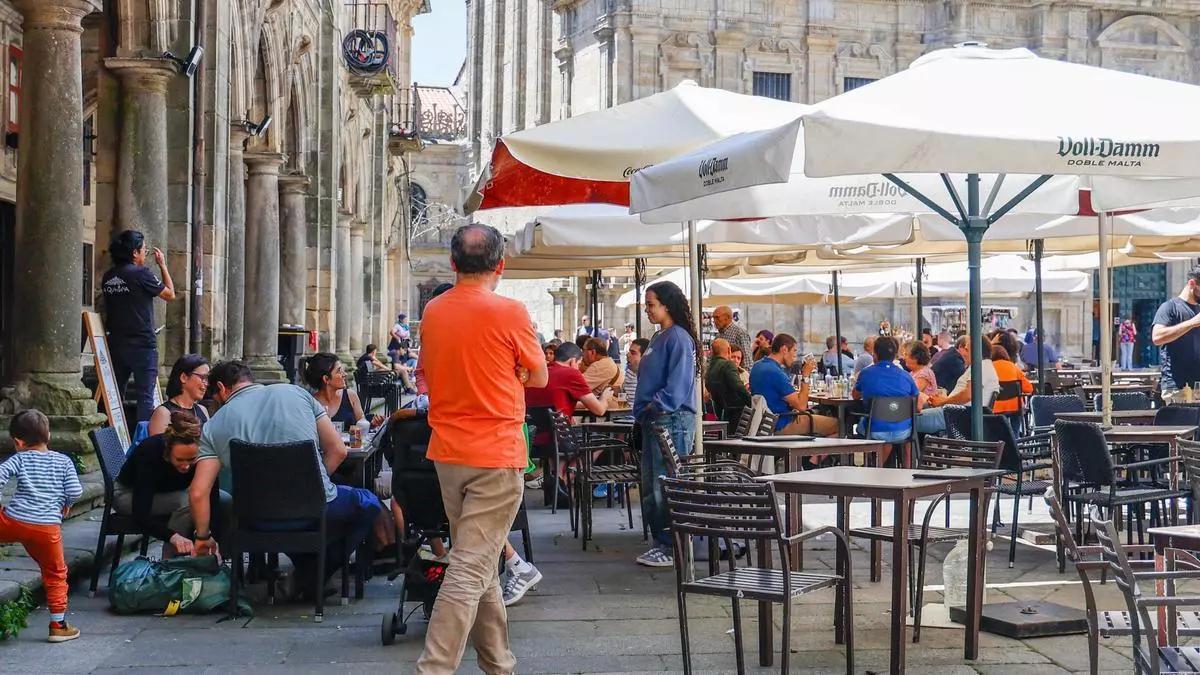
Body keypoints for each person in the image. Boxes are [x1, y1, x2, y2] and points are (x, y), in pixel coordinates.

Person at [414, 223, 548, 674]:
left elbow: (425, 374)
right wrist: (513, 374)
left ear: (453, 263)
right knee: (471, 567)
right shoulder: (509, 311)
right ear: (500, 266)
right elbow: (540, 376)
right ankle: (433, 668)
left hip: (449, 452)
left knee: (481, 560)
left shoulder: (432, 311)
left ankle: (499, 665)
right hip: (495, 451)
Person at [187, 361, 382, 596]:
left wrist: (203, 537)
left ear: (221, 388)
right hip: (314, 508)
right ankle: (313, 574)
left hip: (254, 517)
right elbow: (339, 451)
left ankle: (308, 573)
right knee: (368, 503)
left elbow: (198, 492)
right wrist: (314, 485)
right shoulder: (297, 393)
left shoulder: (213, 425)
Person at [0, 410, 83, 642]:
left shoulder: (19, 458)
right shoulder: (63, 461)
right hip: (47, 528)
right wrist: (65, 503)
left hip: (13, 521)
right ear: (48, 435)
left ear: (18, 442)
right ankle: (58, 625)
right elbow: (76, 491)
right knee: (56, 573)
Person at [632, 280, 698, 568]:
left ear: (666, 305)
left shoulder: (678, 338)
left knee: (665, 482)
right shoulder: (659, 337)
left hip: (670, 418)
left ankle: (671, 545)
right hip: (654, 417)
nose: (647, 310)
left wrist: (655, 405)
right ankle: (661, 541)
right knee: (651, 482)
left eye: (651, 304)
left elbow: (678, 384)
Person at [116, 411, 224, 558]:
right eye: (179, 460)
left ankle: (214, 556)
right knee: (190, 502)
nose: (186, 466)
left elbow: (213, 497)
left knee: (225, 500)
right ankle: (170, 562)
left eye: (191, 460)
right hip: (128, 494)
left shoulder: (206, 454)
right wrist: (172, 537)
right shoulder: (150, 452)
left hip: (167, 491)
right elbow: (140, 514)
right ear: (168, 452)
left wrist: (212, 535)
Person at [100, 229, 176, 422]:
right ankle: (143, 440)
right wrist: (163, 265)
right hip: (142, 344)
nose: (145, 253)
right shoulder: (141, 274)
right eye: (143, 249)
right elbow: (169, 294)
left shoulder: (108, 277)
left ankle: (112, 434)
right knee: (145, 397)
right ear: (134, 252)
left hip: (116, 342)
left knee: (114, 394)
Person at [750, 334, 839, 436]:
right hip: (781, 423)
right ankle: (817, 451)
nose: (795, 356)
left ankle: (814, 450)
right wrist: (805, 376)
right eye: (794, 351)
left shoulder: (757, 366)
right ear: (784, 349)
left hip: (763, 422)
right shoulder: (775, 372)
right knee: (838, 425)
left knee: (817, 415)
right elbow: (801, 406)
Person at [916, 336, 999, 434]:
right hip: (957, 415)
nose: (963, 353)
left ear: (976, 351)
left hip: (955, 417)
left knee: (907, 422)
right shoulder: (984, 366)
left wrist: (943, 401)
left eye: (967, 349)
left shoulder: (980, 367)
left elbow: (968, 394)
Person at [853, 337, 920, 454]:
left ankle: (866, 463)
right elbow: (916, 401)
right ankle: (906, 468)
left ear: (875, 355)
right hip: (903, 431)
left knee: (855, 423)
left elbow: (855, 396)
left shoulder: (866, 373)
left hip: (874, 430)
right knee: (897, 427)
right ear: (894, 356)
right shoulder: (906, 375)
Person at [1153, 268, 1200, 398]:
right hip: (1176, 386)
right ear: (1192, 284)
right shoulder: (1169, 307)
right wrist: (1192, 323)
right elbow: (1157, 337)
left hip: (1197, 384)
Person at [306, 352, 383, 429]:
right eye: (339, 371)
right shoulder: (312, 403)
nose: (345, 374)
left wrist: (371, 424)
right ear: (326, 379)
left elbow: (362, 424)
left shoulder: (350, 395)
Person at [148, 354, 211, 436]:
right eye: (203, 377)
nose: (206, 383)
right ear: (184, 377)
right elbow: (158, 447)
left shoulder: (203, 410)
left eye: (207, 379)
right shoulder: (163, 413)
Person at [990, 344, 1033, 434]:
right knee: (1016, 418)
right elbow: (1028, 389)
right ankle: (1015, 439)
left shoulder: (988, 368)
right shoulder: (1014, 367)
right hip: (1015, 407)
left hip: (995, 409)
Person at [706, 338, 751, 419]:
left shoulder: (710, 367)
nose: (736, 360)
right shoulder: (728, 365)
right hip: (734, 412)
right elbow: (738, 387)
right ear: (729, 350)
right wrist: (750, 401)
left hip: (719, 412)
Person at [623, 338, 649, 402]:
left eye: (633, 353)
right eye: (629, 352)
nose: (627, 355)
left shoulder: (653, 381)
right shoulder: (630, 373)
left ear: (645, 357)